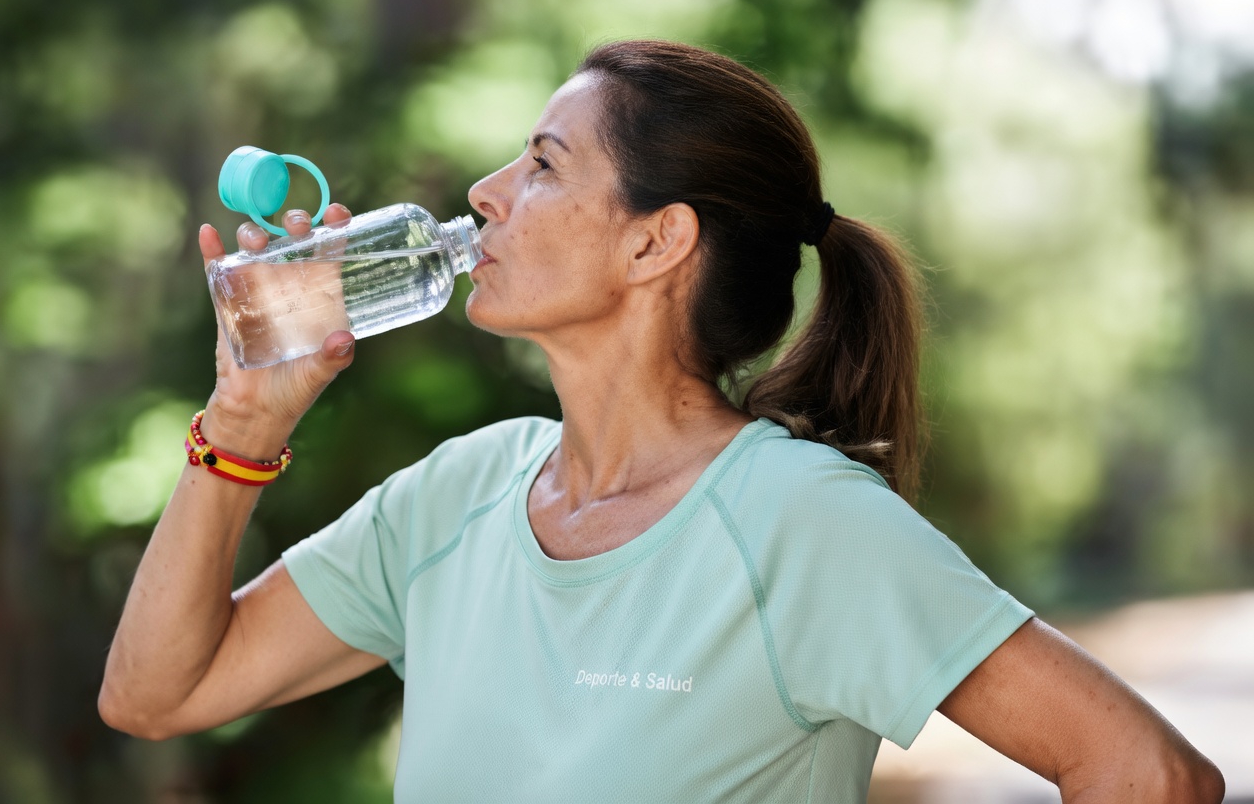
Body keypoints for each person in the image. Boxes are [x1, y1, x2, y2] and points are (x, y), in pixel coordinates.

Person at [99, 40, 1224, 802]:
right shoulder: (462, 494)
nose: (485, 192)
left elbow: (1147, 773)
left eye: (542, 164)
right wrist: (239, 424)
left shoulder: (801, 524)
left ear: (655, 242)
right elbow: (156, 694)